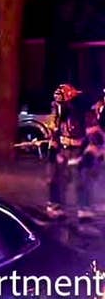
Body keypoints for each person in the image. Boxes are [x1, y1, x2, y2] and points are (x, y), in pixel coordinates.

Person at [46, 83, 104, 220]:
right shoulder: (58, 111)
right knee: (56, 179)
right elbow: (54, 131)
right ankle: (55, 207)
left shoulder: (84, 113)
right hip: (63, 150)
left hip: (80, 151)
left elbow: (94, 135)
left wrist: (89, 154)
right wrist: (53, 150)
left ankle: (84, 209)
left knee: (83, 179)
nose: (60, 106)